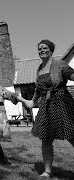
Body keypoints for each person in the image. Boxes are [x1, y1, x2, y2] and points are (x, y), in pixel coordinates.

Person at [28, 39, 74, 178]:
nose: (41, 50)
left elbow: (71, 75)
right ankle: (47, 171)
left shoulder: (59, 64)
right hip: (46, 105)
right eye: (39, 48)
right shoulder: (40, 68)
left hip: (62, 102)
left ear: (51, 50)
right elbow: (38, 88)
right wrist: (33, 101)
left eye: (44, 48)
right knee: (46, 138)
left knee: (72, 134)